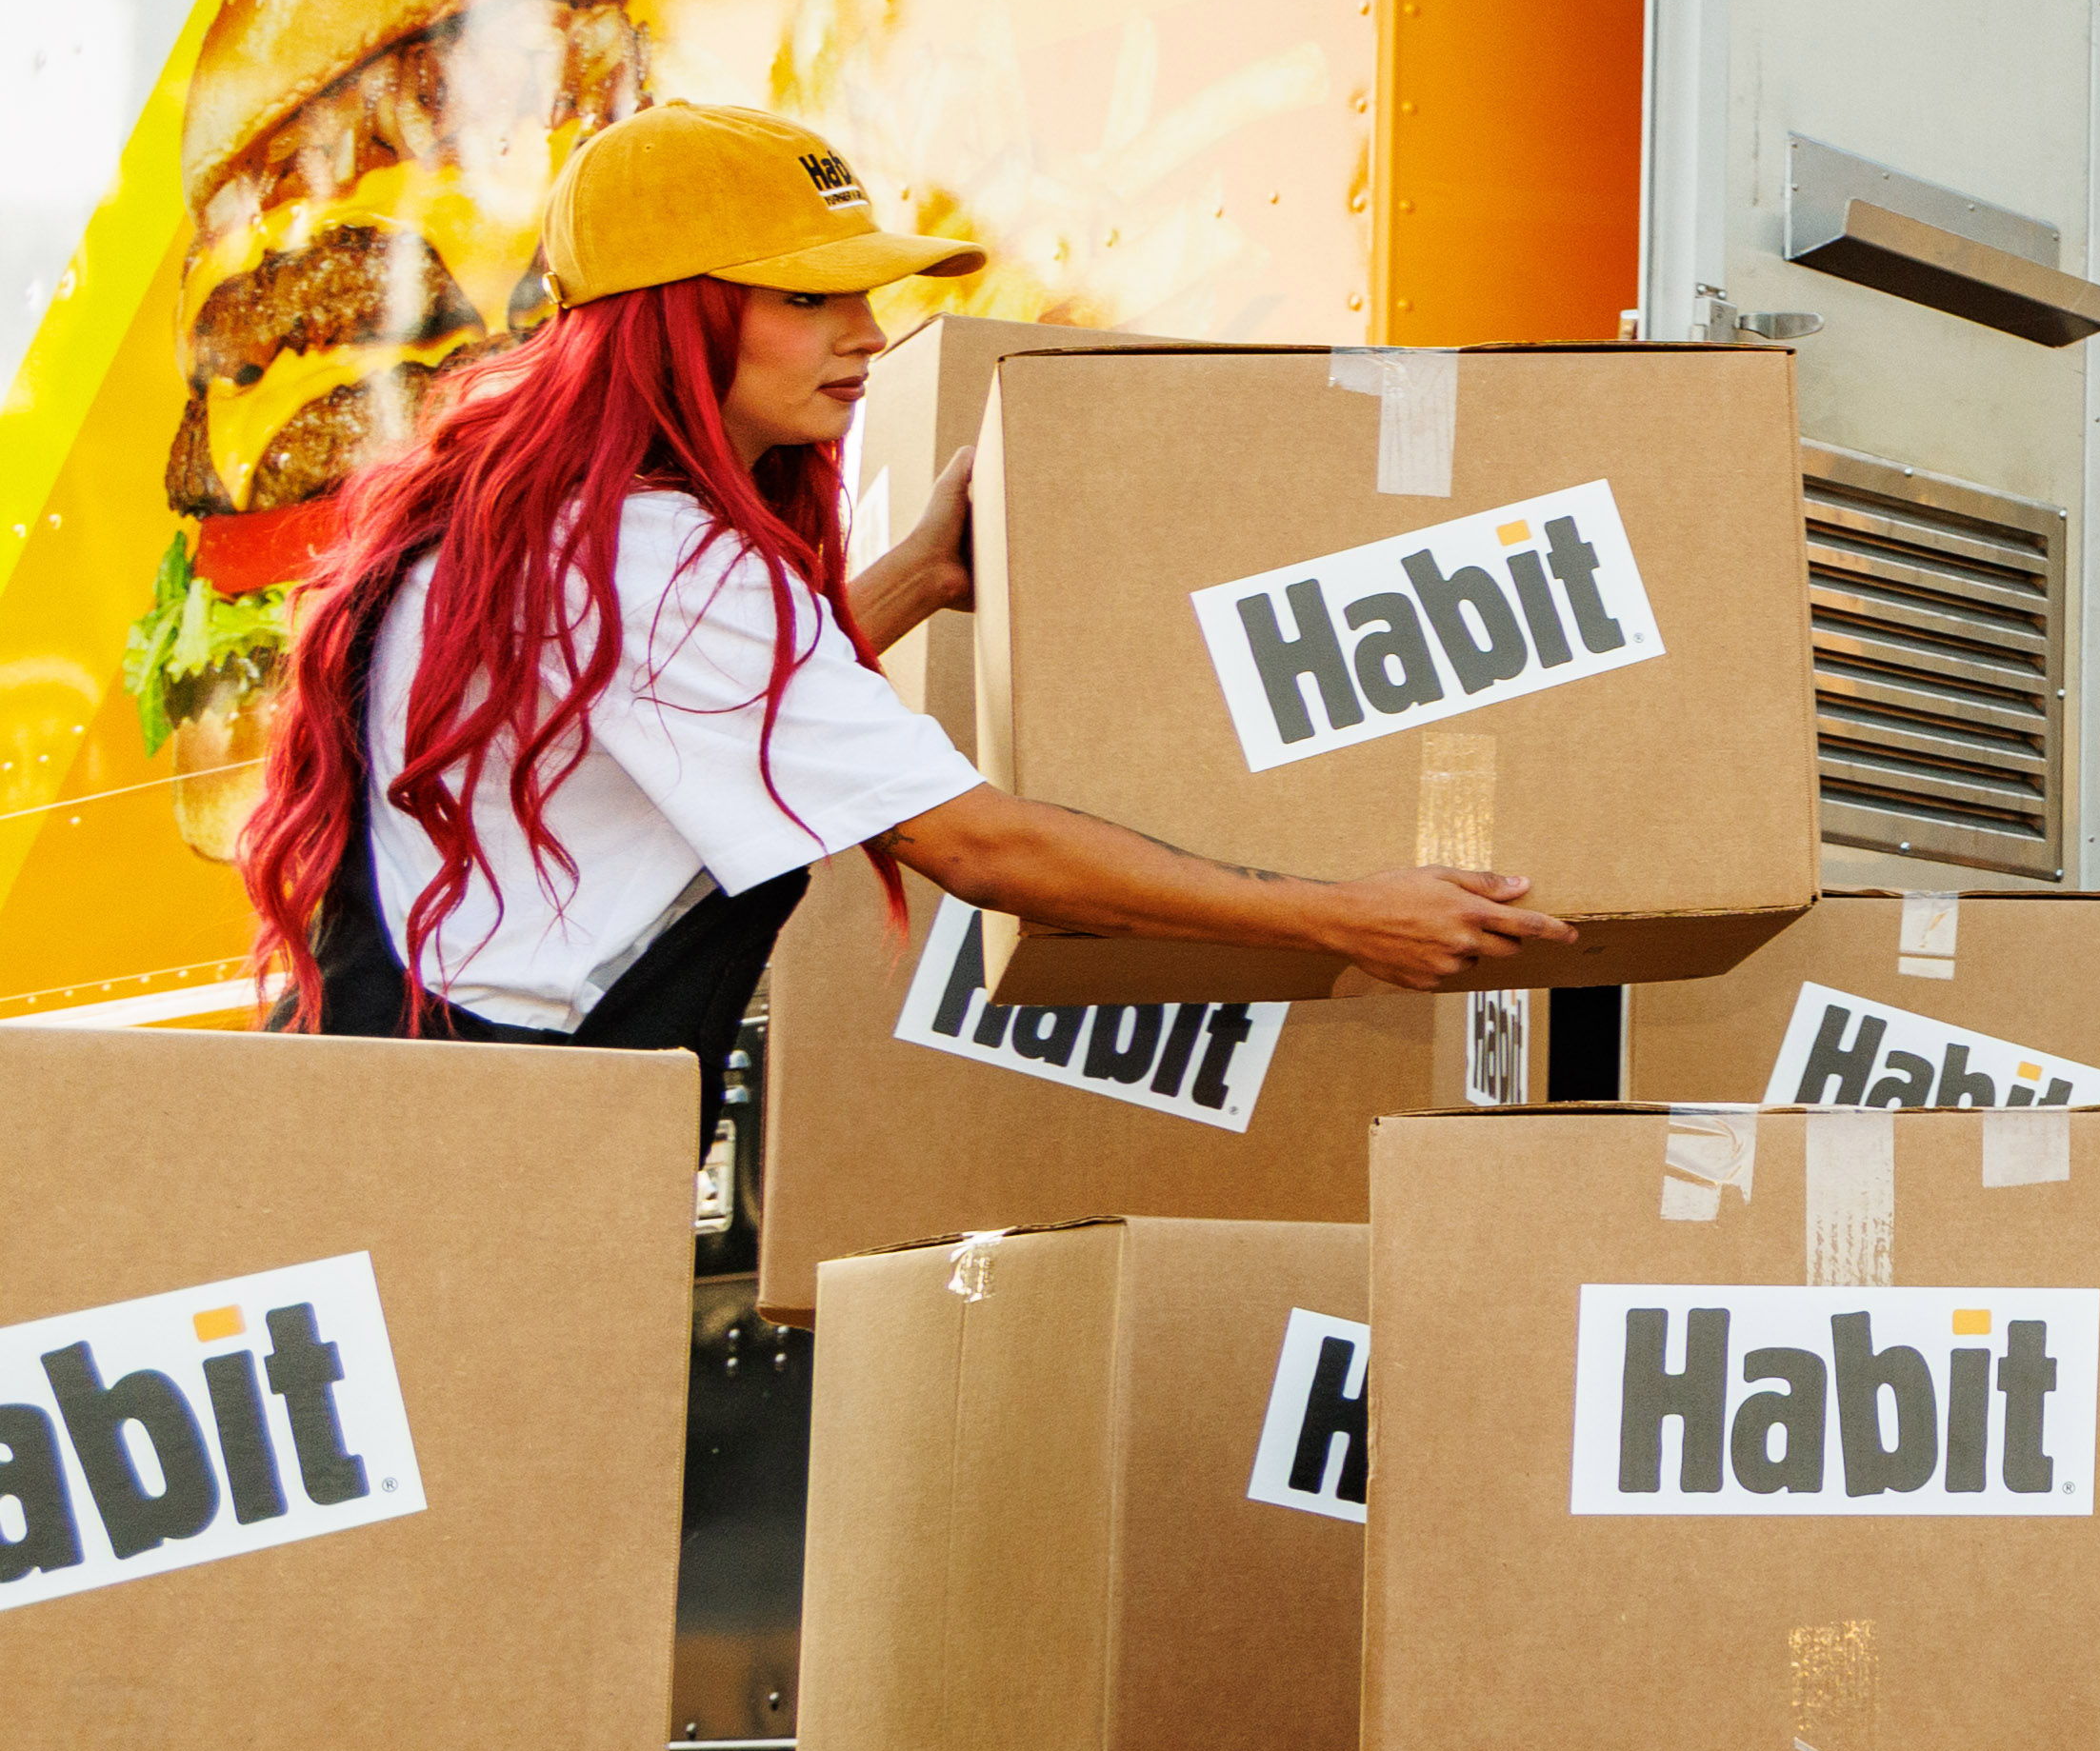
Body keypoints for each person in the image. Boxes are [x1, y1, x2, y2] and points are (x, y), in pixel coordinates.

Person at [238, 105, 1571, 1088]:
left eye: (862, 296)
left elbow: (681, 707)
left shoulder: (525, 531)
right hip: (501, 1138)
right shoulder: (661, 560)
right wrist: (1342, 917)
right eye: (811, 297)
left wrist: (921, 576)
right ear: (676, 315)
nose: (866, 335)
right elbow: (977, 846)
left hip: (391, 1107)